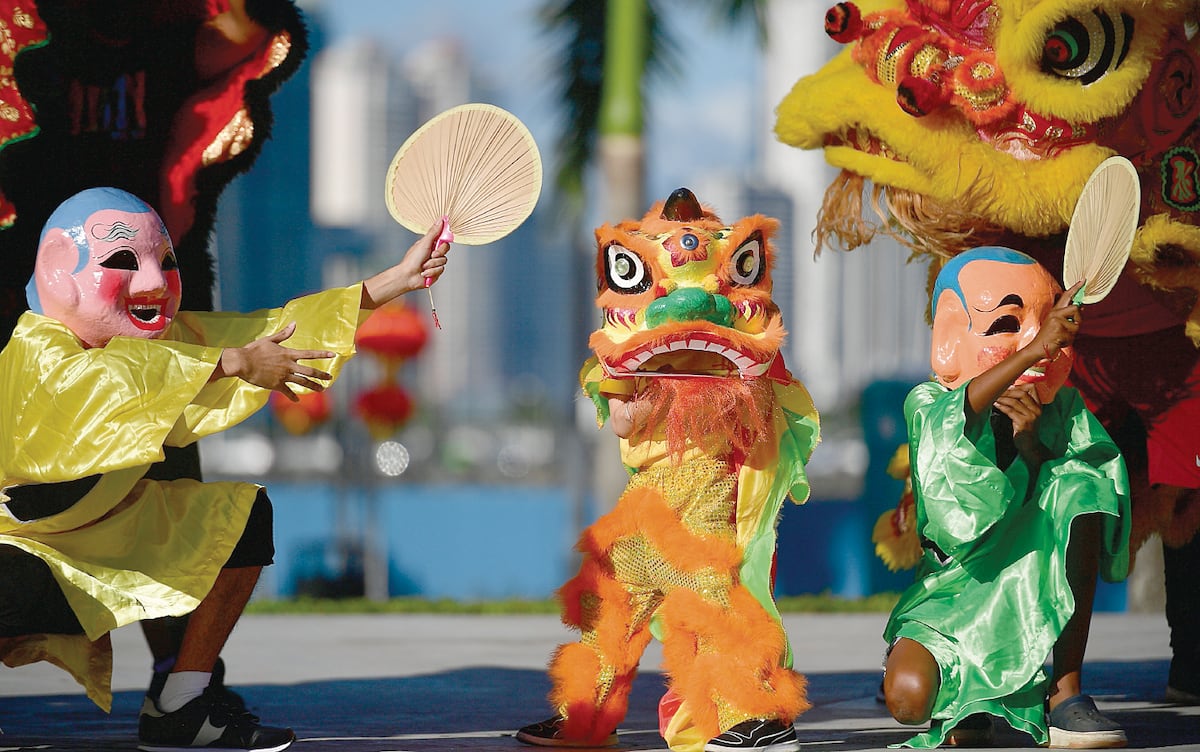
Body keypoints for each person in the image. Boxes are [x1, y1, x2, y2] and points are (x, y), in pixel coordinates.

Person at [0, 186, 448, 751]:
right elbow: (99, 384)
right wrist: (230, 362)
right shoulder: (37, 347)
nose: (153, 282)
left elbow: (273, 329)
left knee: (241, 517)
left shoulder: (169, 342)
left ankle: (180, 705)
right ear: (59, 274)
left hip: (103, 540)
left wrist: (395, 281)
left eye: (165, 262)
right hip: (22, 550)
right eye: (122, 262)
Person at [516, 189, 820, 752]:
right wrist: (637, 385)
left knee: (715, 606)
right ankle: (583, 715)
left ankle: (756, 717)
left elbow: (759, 421)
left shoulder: (753, 370)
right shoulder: (625, 362)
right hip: (646, 503)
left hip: (706, 498)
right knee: (610, 600)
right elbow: (624, 427)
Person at [882, 247, 1130, 748]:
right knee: (909, 700)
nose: (1044, 341)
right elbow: (958, 495)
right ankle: (963, 691)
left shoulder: (1062, 407)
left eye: (1052, 326)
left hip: (1028, 580)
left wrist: (1030, 445)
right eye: (1007, 325)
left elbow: (1073, 486)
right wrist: (1035, 351)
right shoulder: (927, 404)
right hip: (952, 592)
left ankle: (1065, 695)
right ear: (950, 338)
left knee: (1082, 484)